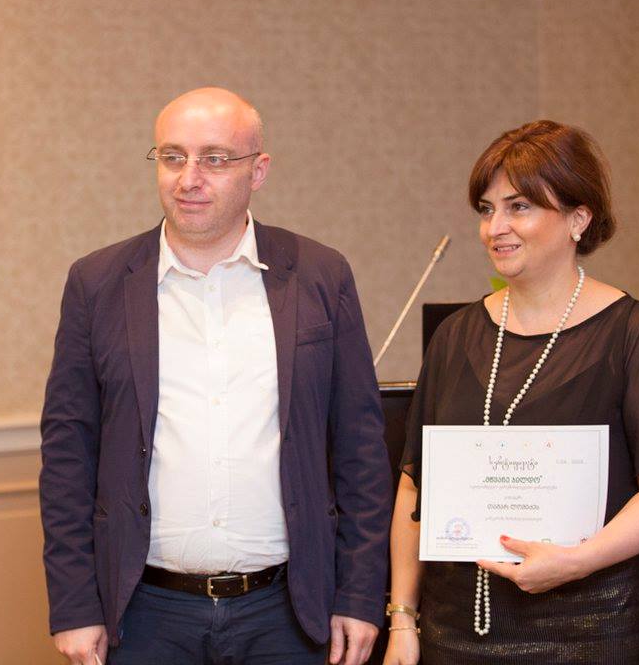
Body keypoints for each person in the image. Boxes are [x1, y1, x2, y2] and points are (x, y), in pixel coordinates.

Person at [40, 87, 392, 665]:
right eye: (172, 157)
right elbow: (67, 455)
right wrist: (75, 606)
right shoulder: (97, 283)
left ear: (259, 171)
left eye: (215, 158)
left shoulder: (320, 275)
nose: (189, 178)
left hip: (289, 612)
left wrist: (359, 594)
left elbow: (360, 448)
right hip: (143, 614)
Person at [382, 120, 639, 665]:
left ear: (579, 219)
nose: (496, 228)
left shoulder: (632, 332)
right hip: (456, 628)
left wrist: (576, 561)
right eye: (486, 210)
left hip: (591, 628)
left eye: (519, 207)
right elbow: (414, 490)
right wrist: (402, 618)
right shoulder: (455, 337)